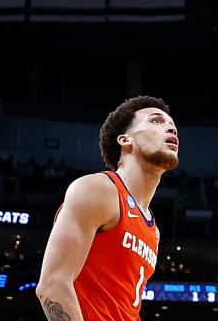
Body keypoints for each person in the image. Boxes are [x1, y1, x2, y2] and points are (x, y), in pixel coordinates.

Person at [36, 96, 179, 321]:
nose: (171, 128)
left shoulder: (154, 230)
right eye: (156, 121)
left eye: (172, 125)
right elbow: (52, 285)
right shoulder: (98, 189)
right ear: (125, 139)